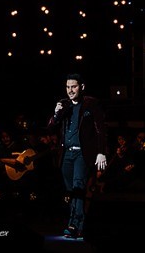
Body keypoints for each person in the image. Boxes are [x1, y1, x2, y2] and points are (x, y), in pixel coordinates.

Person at [46, 73, 107, 240]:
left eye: (73, 86)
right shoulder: (64, 105)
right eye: (68, 87)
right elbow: (50, 127)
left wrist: (101, 152)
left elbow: (101, 129)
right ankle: (80, 224)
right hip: (66, 154)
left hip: (82, 153)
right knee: (72, 190)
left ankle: (74, 225)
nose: (70, 90)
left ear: (82, 87)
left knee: (78, 186)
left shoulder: (91, 104)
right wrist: (56, 114)